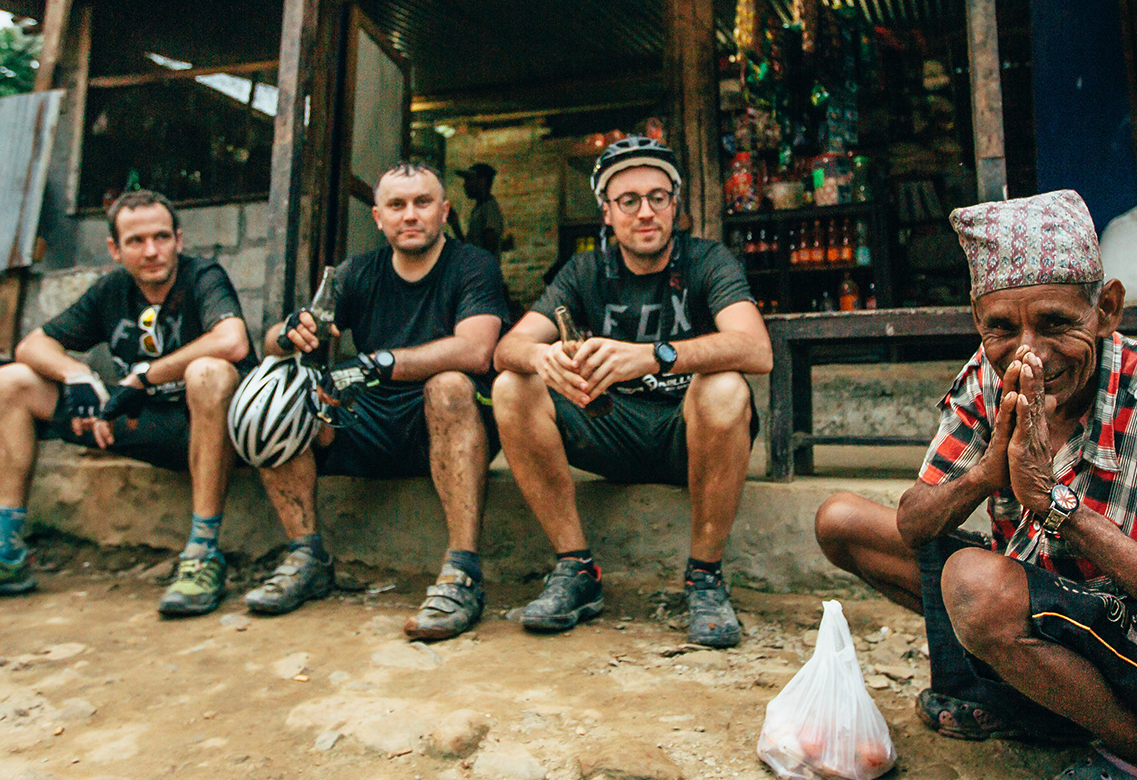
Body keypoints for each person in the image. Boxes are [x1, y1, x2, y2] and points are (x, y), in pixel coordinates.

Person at [812, 189, 1137, 780]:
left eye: (1056, 322)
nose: (1028, 353)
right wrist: (985, 476)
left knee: (977, 585)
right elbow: (916, 525)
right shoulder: (989, 374)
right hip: (1050, 607)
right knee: (843, 522)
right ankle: (1033, 697)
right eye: (1002, 329)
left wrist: (1061, 510)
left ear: (1108, 310)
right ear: (980, 325)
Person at [0, 189, 257, 617]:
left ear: (179, 240)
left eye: (162, 238)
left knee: (209, 371)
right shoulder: (112, 291)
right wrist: (79, 376)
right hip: (134, 424)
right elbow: (32, 344)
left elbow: (232, 341)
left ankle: (202, 555)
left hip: (209, 432)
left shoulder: (203, 277)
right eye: (136, 241)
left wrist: (143, 377)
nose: (152, 251)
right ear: (114, 249)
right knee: (10, 381)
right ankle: (4, 553)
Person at [491, 136, 772, 649]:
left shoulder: (708, 260)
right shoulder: (583, 271)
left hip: (684, 437)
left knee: (727, 388)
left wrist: (652, 355)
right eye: (628, 201)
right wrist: (540, 357)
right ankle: (576, 569)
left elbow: (757, 350)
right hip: (608, 430)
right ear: (606, 212)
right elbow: (507, 348)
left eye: (657, 197)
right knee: (511, 386)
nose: (645, 212)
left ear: (675, 205)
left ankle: (704, 577)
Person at [246, 162, 510, 641]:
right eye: (397, 205)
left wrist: (376, 363)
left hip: (443, 423)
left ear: (444, 211)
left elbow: (477, 349)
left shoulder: (473, 265)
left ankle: (462, 572)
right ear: (378, 217)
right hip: (369, 422)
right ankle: (307, 555)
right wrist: (288, 335)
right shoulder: (357, 272)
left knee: (448, 385)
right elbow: (273, 342)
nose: (410, 215)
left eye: (422, 203)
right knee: (280, 395)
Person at [455, 163, 507, 258]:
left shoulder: (489, 209)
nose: (465, 185)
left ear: (482, 181)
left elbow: (487, 249)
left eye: (469, 180)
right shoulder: (481, 208)